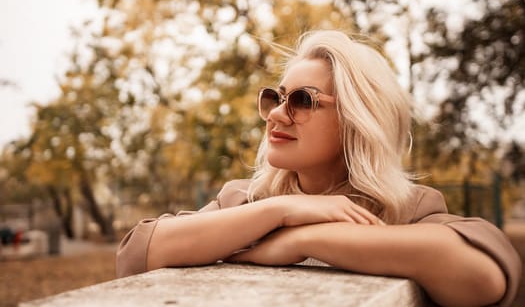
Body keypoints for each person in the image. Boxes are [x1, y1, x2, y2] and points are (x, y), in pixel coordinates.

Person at [116, 30, 521, 306]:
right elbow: (137, 254)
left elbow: (486, 278)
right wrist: (280, 211)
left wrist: (301, 241)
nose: (276, 114)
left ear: (358, 119)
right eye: (278, 97)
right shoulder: (245, 200)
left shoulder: (408, 209)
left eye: (303, 101)